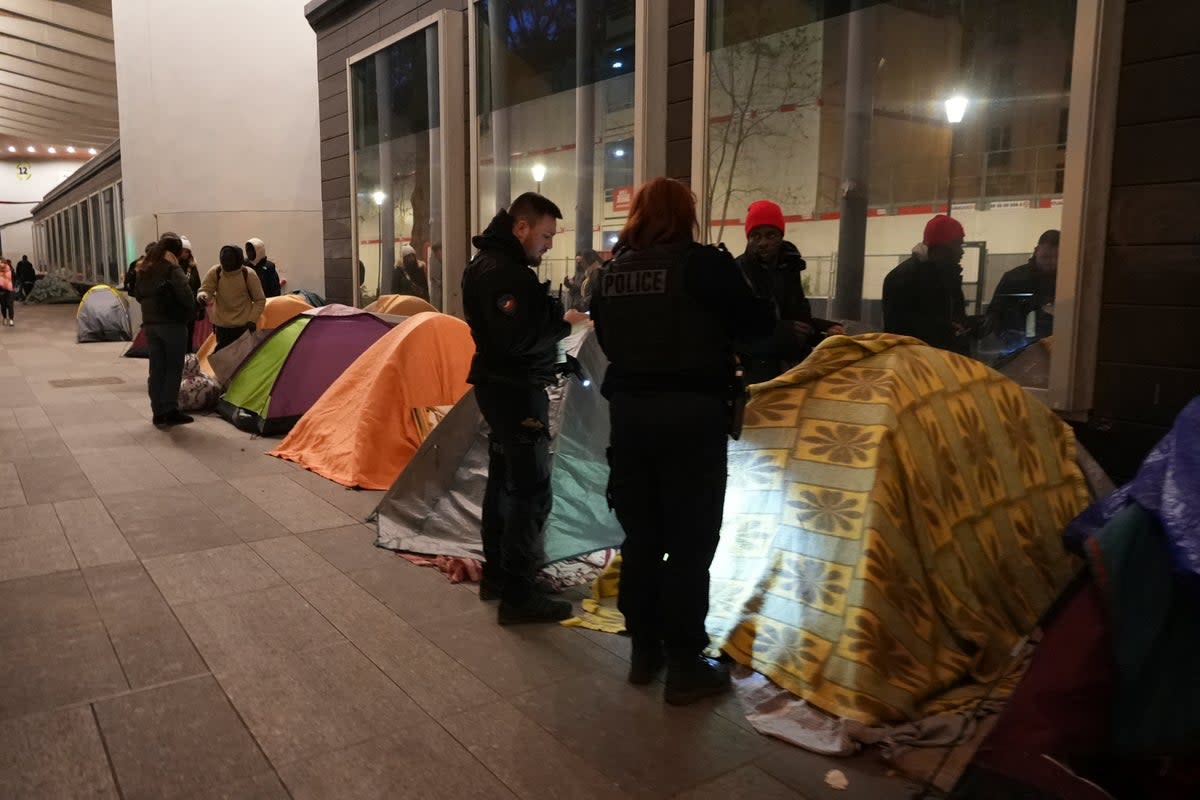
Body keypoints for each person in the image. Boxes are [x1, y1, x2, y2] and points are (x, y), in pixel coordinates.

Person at [590, 178, 774, 705]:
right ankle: (686, 662)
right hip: (692, 421)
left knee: (642, 539)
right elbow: (757, 327)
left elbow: (607, 340)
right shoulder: (703, 264)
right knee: (691, 545)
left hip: (629, 421)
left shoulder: (610, 274)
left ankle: (645, 652)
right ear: (686, 214)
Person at [463, 192, 574, 625]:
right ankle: (520, 594)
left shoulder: (495, 265)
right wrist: (565, 324)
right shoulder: (501, 272)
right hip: (514, 391)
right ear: (520, 227)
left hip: (506, 387)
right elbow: (516, 339)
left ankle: (500, 578)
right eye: (545, 235)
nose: (548, 244)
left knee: (505, 484)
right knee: (531, 489)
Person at [736, 200, 844, 384]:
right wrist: (782, 332)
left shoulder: (789, 269)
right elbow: (737, 330)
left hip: (791, 367)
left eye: (770, 235)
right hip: (758, 374)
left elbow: (797, 319)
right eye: (755, 236)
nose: (763, 243)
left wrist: (825, 328)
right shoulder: (738, 272)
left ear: (781, 236)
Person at [882, 215, 972, 354]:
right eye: (957, 245)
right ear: (940, 247)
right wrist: (948, 331)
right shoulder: (902, 279)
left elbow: (955, 319)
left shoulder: (948, 275)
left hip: (944, 362)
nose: (961, 251)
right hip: (920, 366)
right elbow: (900, 334)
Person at [132, 233, 195, 426]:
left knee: (157, 368)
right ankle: (170, 410)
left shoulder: (145, 267)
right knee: (173, 369)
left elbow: (138, 294)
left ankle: (157, 412)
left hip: (150, 326)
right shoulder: (171, 269)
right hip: (172, 324)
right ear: (175, 251)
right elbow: (186, 296)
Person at [987, 229, 1059, 343]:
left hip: (1055, 343)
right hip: (1018, 344)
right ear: (1036, 251)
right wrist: (1005, 337)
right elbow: (995, 313)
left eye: (1057, 257)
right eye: (1046, 256)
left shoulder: (1068, 281)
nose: (1051, 262)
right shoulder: (1013, 278)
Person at [199, 245, 266, 351]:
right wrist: (203, 297)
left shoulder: (248, 274)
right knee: (224, 360)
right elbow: (206, 290)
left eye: (230, 261)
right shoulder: (216, 272)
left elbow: (260, 300)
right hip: (222, 327)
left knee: (243, 361)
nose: (227, 264)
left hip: (244, 327)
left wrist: (252, 320)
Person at [179, 236, 205, 350]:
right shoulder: (174, 267)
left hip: (191, 308)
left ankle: (188, 362)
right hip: (178, 309)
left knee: (189, 336)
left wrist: (200, 307)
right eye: (183, 251)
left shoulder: (192, 267)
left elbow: (198, 286)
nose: (185, 253)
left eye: (187, 251)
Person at [0, 259, 15, 326]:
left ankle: (11, 319)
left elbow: (14, 278)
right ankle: (5, 318)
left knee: (10, 305)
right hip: (1, 290)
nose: (1, 264)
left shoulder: (10, 270)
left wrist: (12, 286)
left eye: (2, 262)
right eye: (0, 262)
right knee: (3, 306)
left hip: (9, 290)